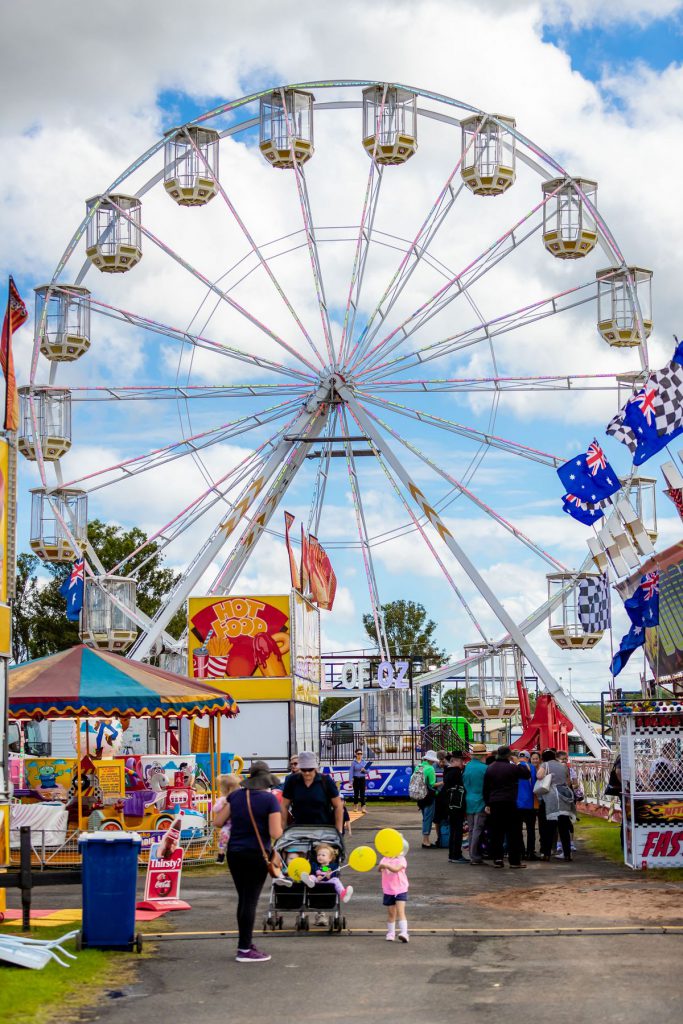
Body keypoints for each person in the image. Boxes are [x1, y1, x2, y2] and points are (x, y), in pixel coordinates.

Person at [214, 760, 282, 963]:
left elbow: (218, 822)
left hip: (234, 853)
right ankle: (244, 948)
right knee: (250, 900)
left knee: (243, 898)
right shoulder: (270, 800)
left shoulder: (235, 795)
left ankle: (245, 942)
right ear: (266, 780)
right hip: (256, 854)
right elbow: (274, 832)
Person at [483, 745, 530, 869]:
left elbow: (486, 788)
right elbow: (526, 774)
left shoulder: (490, 768)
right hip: (510, 802)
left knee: (496, 832)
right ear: (509, 755)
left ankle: (497, 859)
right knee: (513, 832)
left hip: (495, 803)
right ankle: (514, 861)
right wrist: (518, 762)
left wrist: (487, 803)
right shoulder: (512, 768)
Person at [281, 751, 344, 832]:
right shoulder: (292, 781)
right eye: (304, 770)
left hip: (323, 830)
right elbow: (284, 805)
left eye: (310, 769)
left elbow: (338, 806)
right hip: (299, 830)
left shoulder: (326, 781)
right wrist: (282, 829)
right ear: (300, 768)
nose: (307, 773)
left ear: (315, 768)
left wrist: (338, 831)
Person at [536, 748, 576, 862]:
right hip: (564, 796)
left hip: (551, 798)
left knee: (549, 828)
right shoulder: (562, 766)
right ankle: (567, 854)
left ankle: (546, 854)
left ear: (543, 758)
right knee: (564, 827)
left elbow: (539, 776)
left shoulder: (545, 765)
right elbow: (568, 781)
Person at [463, 743, 489, 865]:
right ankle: (475, 855)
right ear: (483, 756)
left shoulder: (468, 767)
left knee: (472, 829)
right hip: (480, 801)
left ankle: (472, 854)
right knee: (478, 829)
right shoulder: (484, 768)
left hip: (469, 800)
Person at [379, 843, 409, 942]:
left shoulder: (401, 859)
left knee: (401, 912)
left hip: (400, 889)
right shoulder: (384, 859)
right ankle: (391, 932)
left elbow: (396, 869)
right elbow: (379, 869)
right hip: (388, 889)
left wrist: (386, 866)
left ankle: (404, 933)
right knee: (391, 913)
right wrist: (381, 866)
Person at [443, 751, 468, 864]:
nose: (463, 762)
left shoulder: (447, 772)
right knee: (457, 831)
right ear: (454, 761)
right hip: (457, 805)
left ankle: (452, 854)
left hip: (450, 805)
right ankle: (456, 855)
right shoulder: (456, 772)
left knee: (453, 830)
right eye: (461, 760)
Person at [213, 773, 242, 863]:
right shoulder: (223, 800)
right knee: (224, 837)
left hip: (234, 824)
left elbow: (215, 809)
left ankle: (222, 853)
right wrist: (222, 804)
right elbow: (215, 809)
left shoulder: (235, 798)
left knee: (226, 836)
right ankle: (221, 853)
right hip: (230, 824)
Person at [516, 750, 538, 860]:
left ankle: (521, 851)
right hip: (529, 802)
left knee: (518, 829)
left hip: (516, 803)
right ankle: (530, 852)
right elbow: (534, 784)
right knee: (530, 829)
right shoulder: (531, 767)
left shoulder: (513, 767)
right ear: (528, 758)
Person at [416, 750, 440, 848]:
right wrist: (443, 783)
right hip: (429, 797)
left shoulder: (419, 766)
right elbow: (432, 784)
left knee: (424, 818)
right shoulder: (430, 769)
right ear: (431, 760)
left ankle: (425, 839)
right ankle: (426, 841)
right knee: (428, 818)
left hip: (420, 796)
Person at [349, 748, 369, 813]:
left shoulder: (364, 762)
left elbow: (368, 771)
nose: (360, 755)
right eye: (358, 754)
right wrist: (351, 781)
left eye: (361, 754)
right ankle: (355, 807)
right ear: (356, 754)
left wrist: (364, 770)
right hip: (356, 779)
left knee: (362, 794)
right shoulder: (353, 762)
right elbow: (351, 772)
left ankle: (363, 808)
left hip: (362, 779)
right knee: (356, 794)